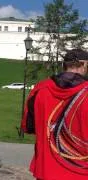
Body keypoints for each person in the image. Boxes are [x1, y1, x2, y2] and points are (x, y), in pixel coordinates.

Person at [21, 49, 88, 180]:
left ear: (64, 65)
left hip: (46, 169)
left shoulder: (40, 89)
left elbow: (29, 126)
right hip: (80, 171)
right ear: (84, 65)